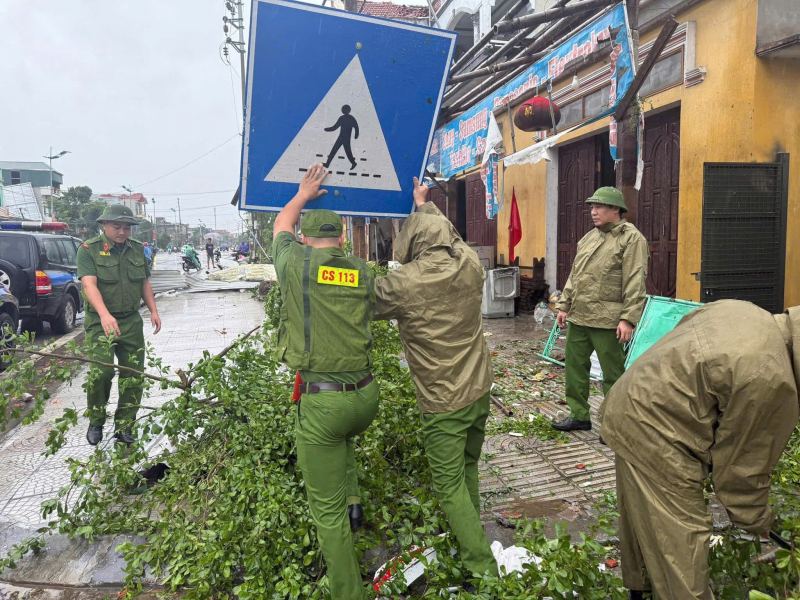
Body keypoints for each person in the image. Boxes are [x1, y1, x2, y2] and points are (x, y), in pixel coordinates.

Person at [601, 300, 800, 599]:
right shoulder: (772, 379)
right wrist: (759, 522)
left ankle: (641, 590)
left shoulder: (746, 311)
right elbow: (739, 472)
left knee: (643, 519)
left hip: (630, 401)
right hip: (658, 433)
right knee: (683, 546)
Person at [373, 178, 498, 590]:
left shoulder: (403, 284)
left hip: (444, 400)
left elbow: (358, 298)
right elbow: (452, 236)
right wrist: (423, 204)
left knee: (448, 486)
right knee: (467, 471)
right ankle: (470, 545)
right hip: (479, 389)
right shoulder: (469, 263)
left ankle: (482, 571)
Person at [272, 163, 379, 600]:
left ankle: (348, 593)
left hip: (324, 404)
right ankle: (355, 503)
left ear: (305, 237)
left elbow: (281, 222)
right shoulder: (361, 270)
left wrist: (302, 192)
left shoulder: (294, 263)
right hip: (367, 398)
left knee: (325, 513)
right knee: (344, 438)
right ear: (342, 238)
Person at [552, 187, 649, 432]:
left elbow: (635, 280)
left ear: (615, 209)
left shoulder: (631, 238)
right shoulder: (589, 238)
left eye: (599, 207)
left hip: (608, 320)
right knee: (574, 369)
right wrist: (564, 305)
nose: (593, 212)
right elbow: (576, 275)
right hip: (580, 316)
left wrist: (628, 318)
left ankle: (614, 424)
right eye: (592, 208)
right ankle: (579, 415)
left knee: (613, 375)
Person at [76, 204, 162, 446]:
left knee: (133, 374)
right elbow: (89, 285)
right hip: (99, 322)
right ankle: (96, 421)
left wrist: (154, 311)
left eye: (127, 227)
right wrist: (104, 315)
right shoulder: (89, 250)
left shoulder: (137, 250)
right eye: (117, 227)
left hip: (131, 321)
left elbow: (144, 282)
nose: (122, 232)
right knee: (100, 372)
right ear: (104, 225)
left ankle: (125, 425)